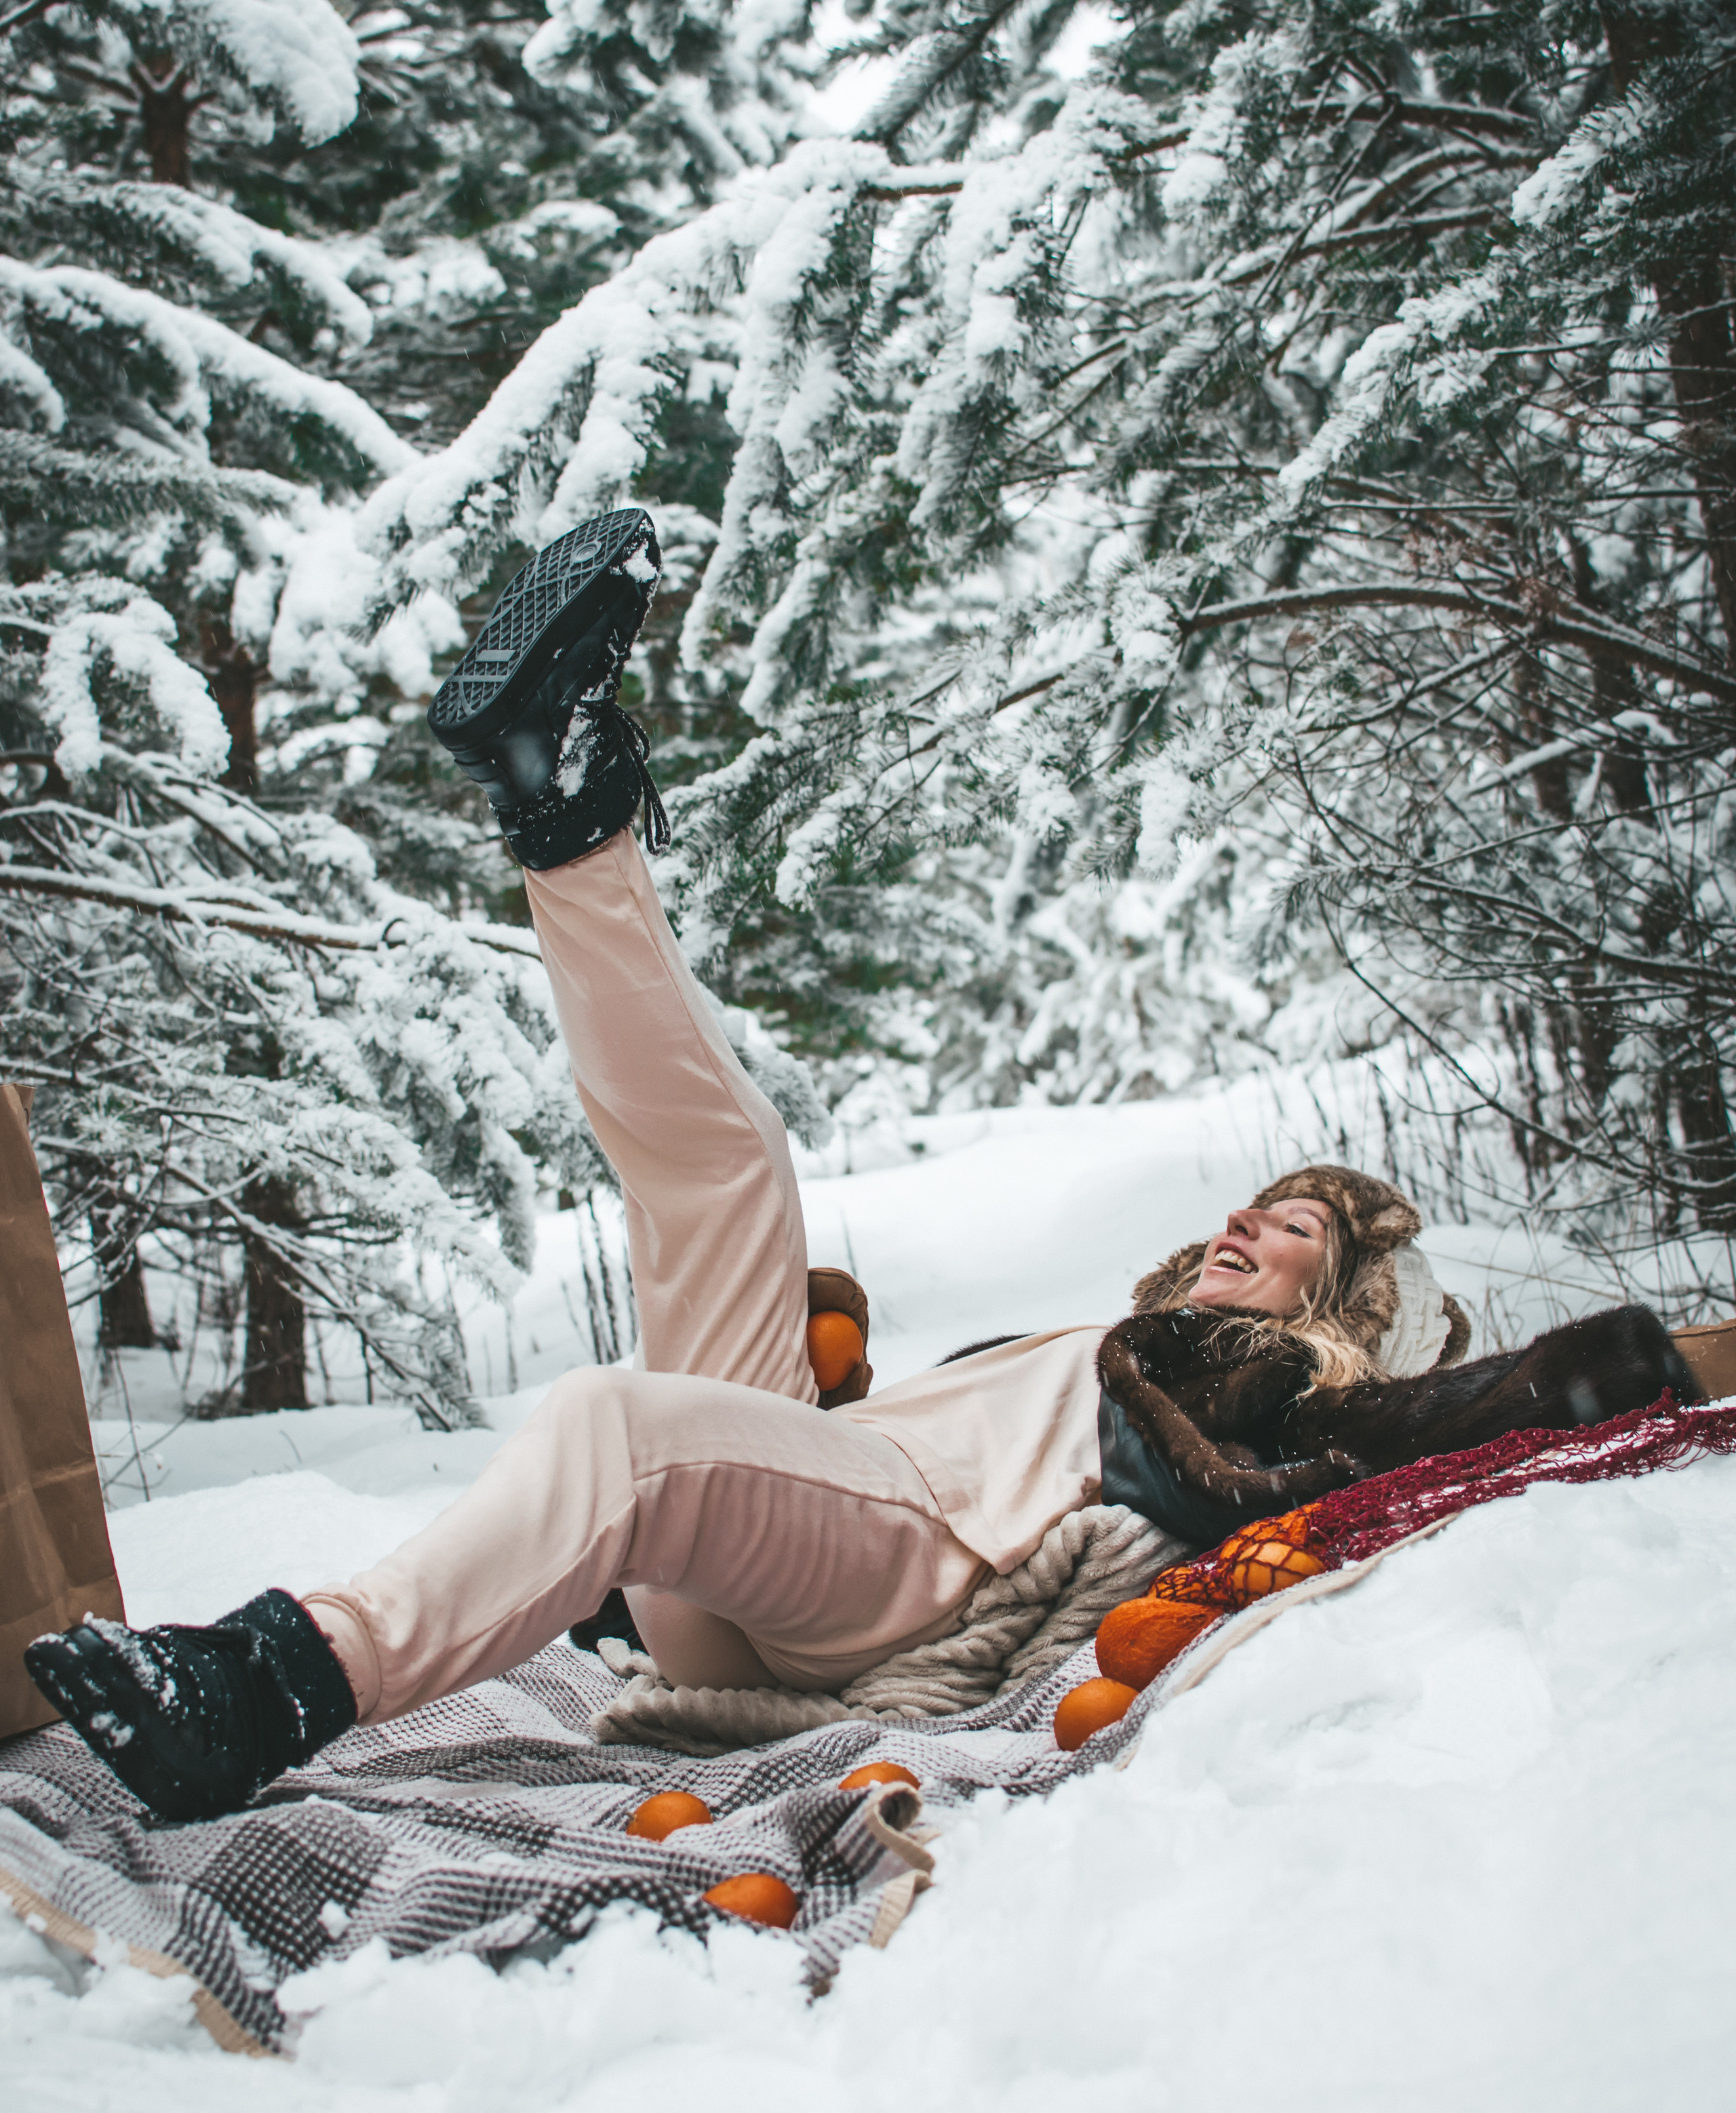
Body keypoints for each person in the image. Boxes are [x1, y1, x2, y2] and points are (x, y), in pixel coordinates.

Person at [25, 509, 1698, 1822]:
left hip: (906, 1585)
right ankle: (566, 810)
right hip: (804, 1552)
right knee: (728, 1177)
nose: (1254, 1223)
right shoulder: (1095, 1348)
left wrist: (1644, 1362)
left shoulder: (1289, 1391)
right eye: (1255, 1205)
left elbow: (1470, 1417)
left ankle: (264, 1685)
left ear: (1341, 1305)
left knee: (613, 1420)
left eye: (1299, 1234)